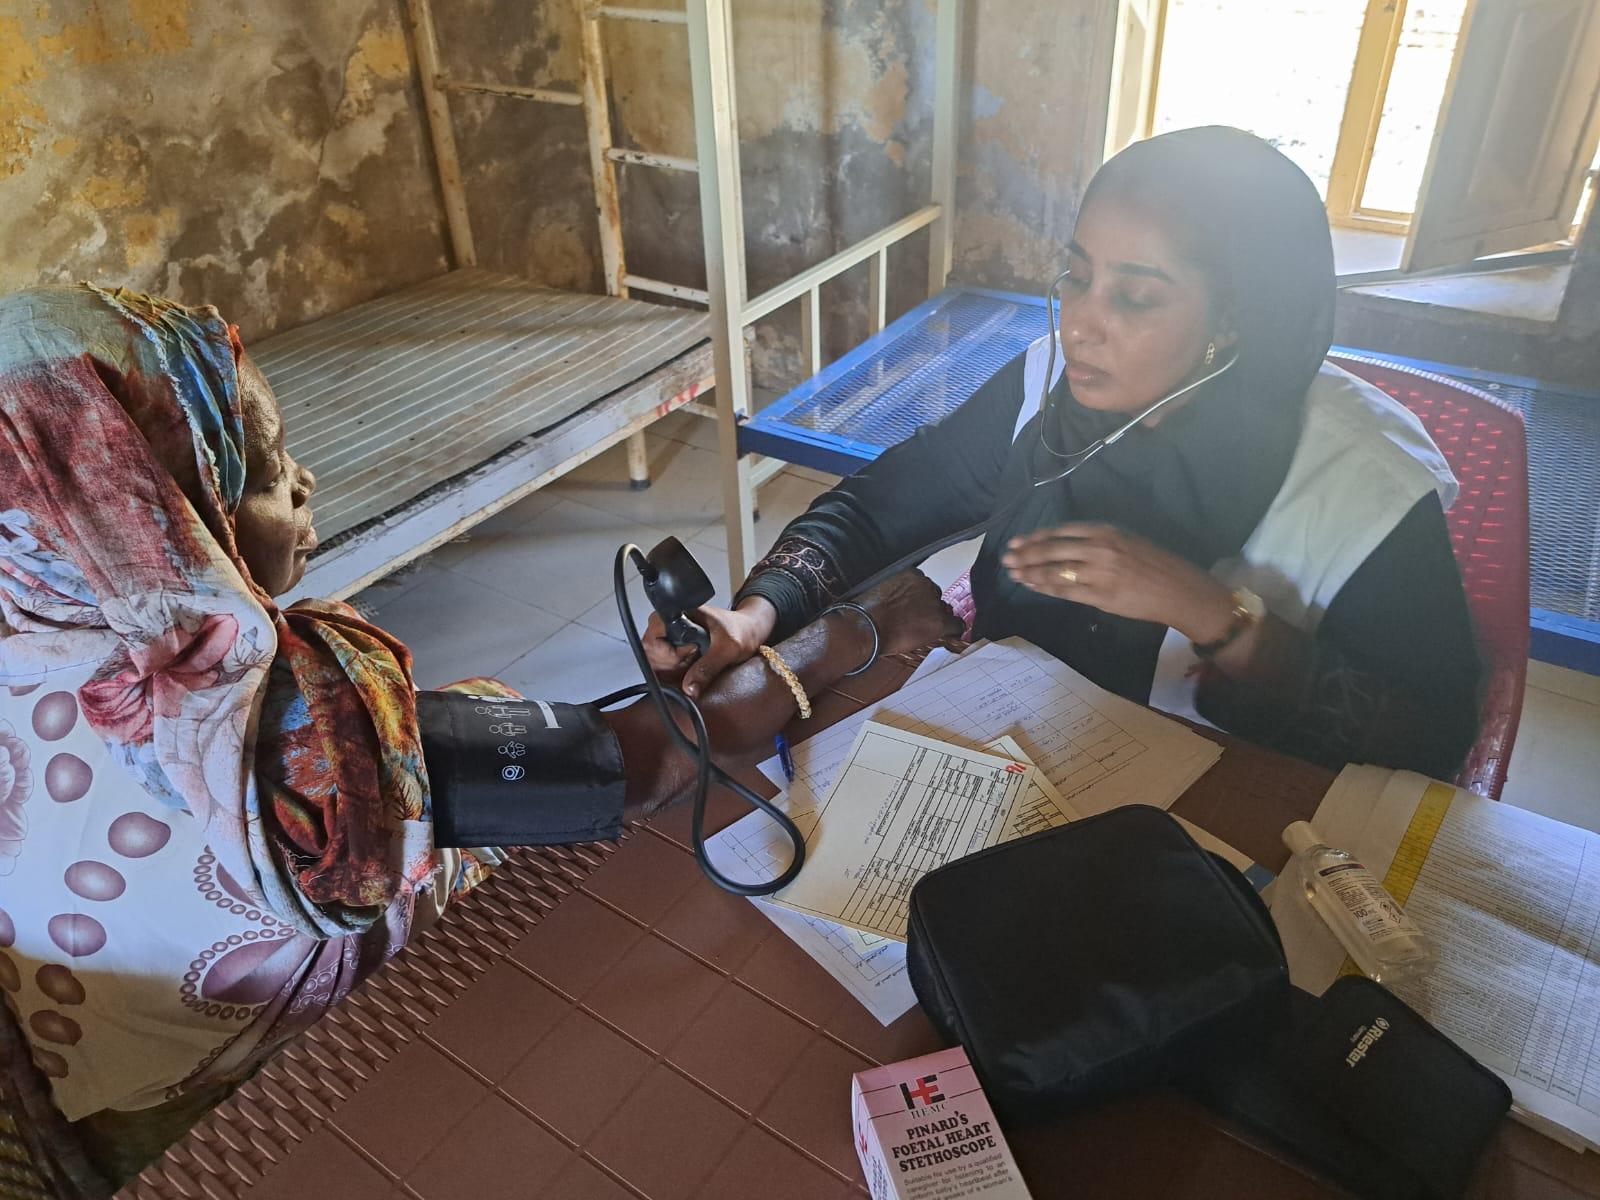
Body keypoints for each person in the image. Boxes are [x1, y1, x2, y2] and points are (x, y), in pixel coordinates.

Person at [0, 282, 958, 1183]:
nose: (303, 481)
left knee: (480, 712)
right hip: (272, 1094)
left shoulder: (29, 634)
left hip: (95, 1092)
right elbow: (645, 765)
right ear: (144, 510)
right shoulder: (298, 730)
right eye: (252, 469)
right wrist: (848, 637)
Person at [647, 127, 1482, 779]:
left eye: (1136, 296)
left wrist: (1213, 616)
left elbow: (1433, 739)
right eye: (1076, 276)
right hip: (1022, 742)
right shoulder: (1052, 382)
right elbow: (886, 502)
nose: (1081, 321)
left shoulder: (1357, 487)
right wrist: (755, 612)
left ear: (1234, 321)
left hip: (1225, 798)